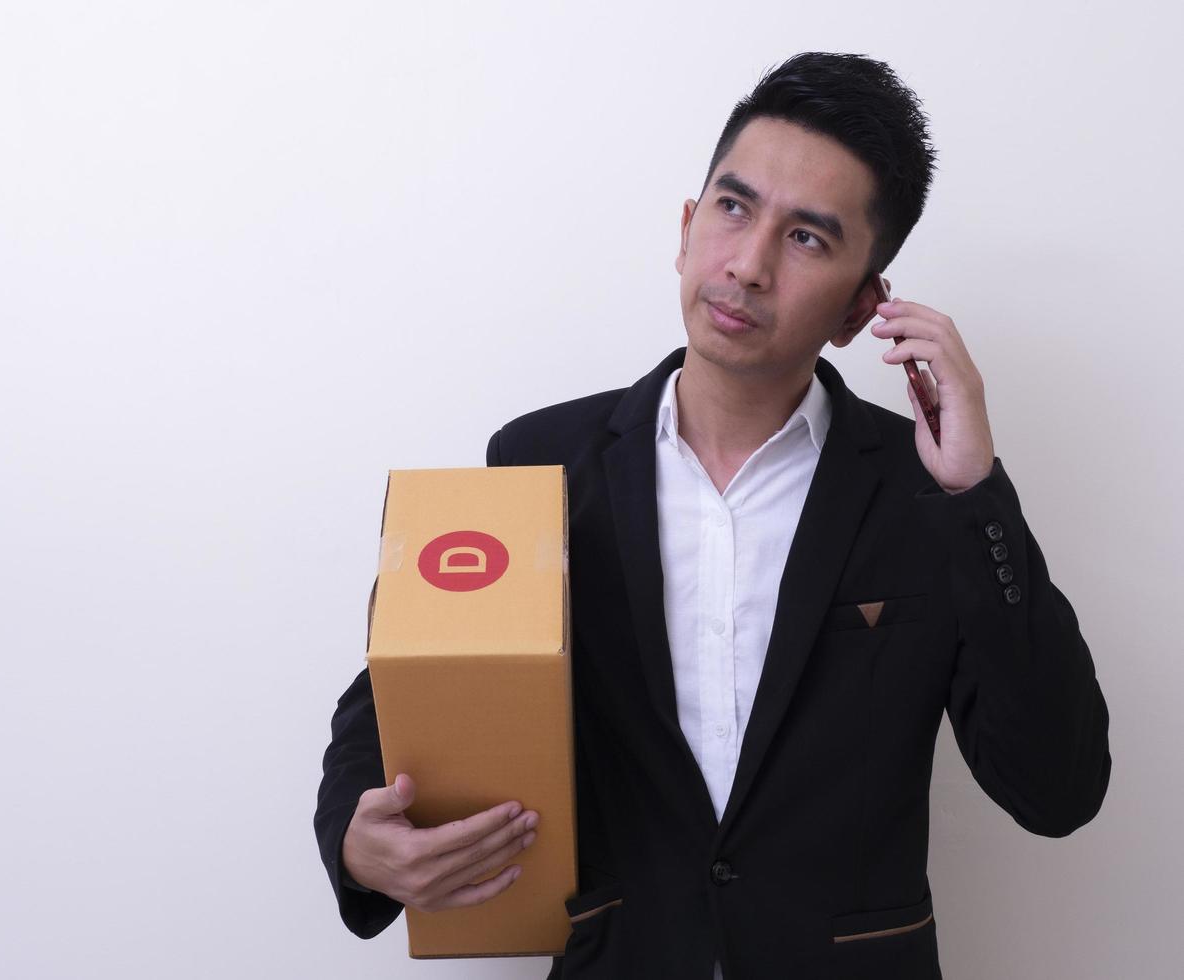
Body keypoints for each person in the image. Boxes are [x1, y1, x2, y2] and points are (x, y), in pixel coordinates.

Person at [314, 51, 1111, 979]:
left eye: (807, 238)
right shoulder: (542, 461)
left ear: (861, 307)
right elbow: (391, 703)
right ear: (687, 228)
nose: (748, 265)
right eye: (733, 209)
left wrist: (976, 497)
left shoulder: (922, 494)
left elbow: (1056, 790)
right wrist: (355, 842)